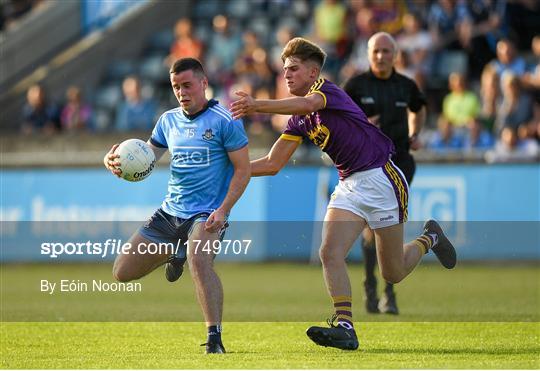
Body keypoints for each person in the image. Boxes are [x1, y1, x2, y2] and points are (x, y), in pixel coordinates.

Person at [230, 37, 456, 351]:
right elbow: (272, 163)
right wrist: (233, 169)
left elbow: (309, 104)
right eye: (284, 70)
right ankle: (346, 326)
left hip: (381, 177)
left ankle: (429, 237)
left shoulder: (327, 91)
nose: (286, 75)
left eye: (293, 69)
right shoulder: (298, 120)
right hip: (349, 184)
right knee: (329, 252)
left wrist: (257, 105)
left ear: (312, 73)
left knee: (393, 272)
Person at [104, 58, 250, 354]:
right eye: (176, 87)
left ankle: (214, 338)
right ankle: (176, 250)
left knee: (199, 260)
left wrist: (223, 210)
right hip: (170, 213)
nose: (182, 92)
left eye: (187, 85)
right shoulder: (168, 120)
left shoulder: (226, 119)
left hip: (207, 213)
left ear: (204, 83)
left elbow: (243, 169)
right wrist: (114, 162)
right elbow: (145, 158)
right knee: (122, 272)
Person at [342, 32, 427, 316]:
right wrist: (362, 125)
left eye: (386, 51)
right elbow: (337, 121)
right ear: (368, 54)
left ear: (395, 54)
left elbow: (419, 107)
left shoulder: (406, 85)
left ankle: (387, 292)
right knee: (372, 231)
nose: (381, 56)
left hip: (400, 164)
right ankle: (374, 287)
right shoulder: (355, 85)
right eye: (376, 51)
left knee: (386, 228)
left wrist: (416, 133)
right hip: (366, 166)